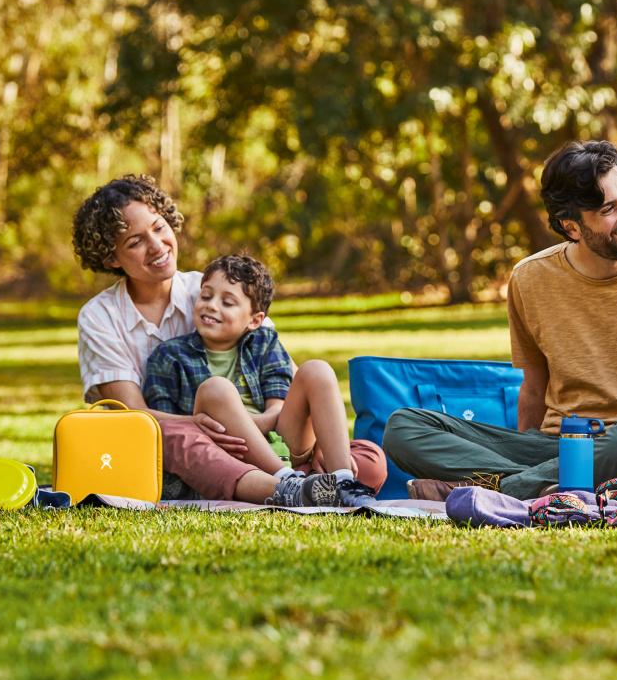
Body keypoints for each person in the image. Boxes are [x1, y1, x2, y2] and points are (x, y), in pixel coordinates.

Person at [382, 140, 617, 501]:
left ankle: (508, 490)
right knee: (403, 427)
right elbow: (533, 387)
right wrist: (532, 452)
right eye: (609, 208)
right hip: (554, 448)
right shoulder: (529, 278)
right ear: (572, 227)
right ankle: (537, 485)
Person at [73, 175, 386, 504]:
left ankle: (328, 484)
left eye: (159, 227)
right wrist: (201, 422)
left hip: (272, 437)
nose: (156, 245)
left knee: (370, 458)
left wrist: (321, 441)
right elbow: (132, 413)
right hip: (185, 439)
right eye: (135, 242)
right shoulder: (100, 316)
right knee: (172, 435)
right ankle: (284, 487)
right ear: (111, 257)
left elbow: (297, 380)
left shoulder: (214, 286)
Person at [143, 255, 379, 507]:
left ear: (254, 320)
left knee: (318, 371)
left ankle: (341, 480)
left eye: (227, 302)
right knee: (215, 389)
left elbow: (277, 408)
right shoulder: (168, 355)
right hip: (225, 452)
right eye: (206, 296)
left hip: (282, 441)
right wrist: (225, 423)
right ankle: (288, 482)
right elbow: (169, 429)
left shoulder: (265, 342)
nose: (211, 306)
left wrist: (248, 423)